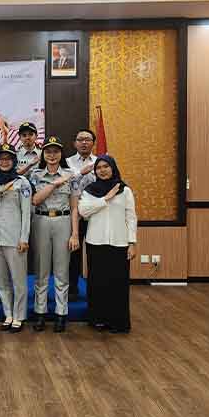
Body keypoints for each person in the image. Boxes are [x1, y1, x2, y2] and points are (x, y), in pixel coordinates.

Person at [79, 155, 137, 334]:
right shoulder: (90, 190)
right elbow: (83, 211)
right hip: (96, 242)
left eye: (106, 166)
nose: (102, 170)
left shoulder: (124, 190)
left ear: (113, 168)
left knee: (118, 284)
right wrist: (105, 199)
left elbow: (131, 217)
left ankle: (118, 322)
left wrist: (132, 243)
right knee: (97, 283)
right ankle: (98, 319)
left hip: (119, 243)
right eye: (99, 167)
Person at [29, 136, 80, 333]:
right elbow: (35, 200)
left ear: (61, 154)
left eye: (56, 151)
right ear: (43, 154)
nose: (52, 155)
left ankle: (61, 313)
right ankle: (40, 312)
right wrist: (56, 183)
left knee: (61, 271)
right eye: (48, 151)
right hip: (41, 221)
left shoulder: (71, 175)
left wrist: (75, 234)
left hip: (63, 221)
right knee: (41, 270)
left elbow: (74, 207)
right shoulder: (36, 175)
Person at [0, 143, 32, 333]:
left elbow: (26, 213)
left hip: (15, 238)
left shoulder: (22, 182)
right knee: (0, 281)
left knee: (18, 280)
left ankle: (19, 316)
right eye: (1, 159)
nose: (4, 162)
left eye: (8, 159)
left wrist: (24, 238)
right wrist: (0, 191)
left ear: (14, 161)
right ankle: (8, 314)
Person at [66, 128, 97, 301]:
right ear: (75, 143)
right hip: (73, 215)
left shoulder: (100, 162)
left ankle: (94, 289)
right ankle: (72, 288)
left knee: (94, 254)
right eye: (80, 139)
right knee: (73, 254)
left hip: (94, 216)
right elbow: (63, 182)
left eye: (88, 139)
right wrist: (80, 173)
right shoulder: (67, 162)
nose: (84, 142)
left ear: (93, 143)